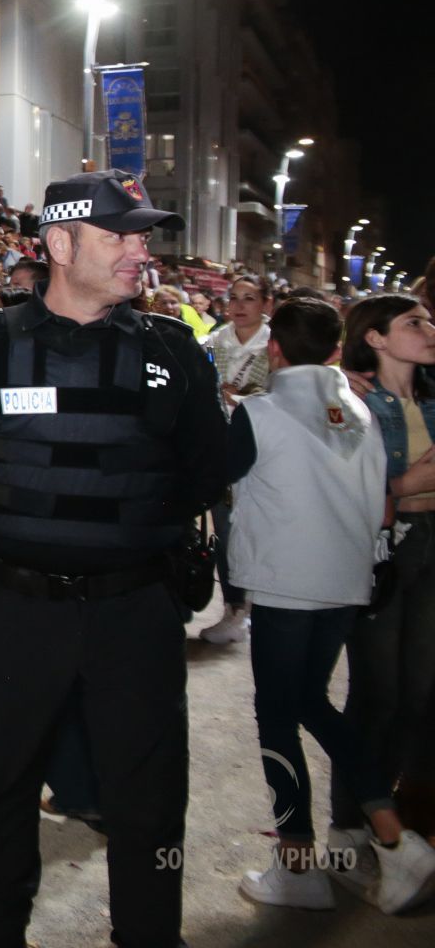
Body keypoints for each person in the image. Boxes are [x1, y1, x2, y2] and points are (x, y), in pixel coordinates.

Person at [0, 170, 230, 948]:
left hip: (138, 612)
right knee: (3, 783)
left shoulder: (174, 350)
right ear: (60, 243)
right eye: (119, 235)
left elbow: (203, 472)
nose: (139, 250)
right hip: (22, 610)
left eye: (141, 235)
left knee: (152, 798)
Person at [225, 297, 435, 913]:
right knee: (308, 703)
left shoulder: (258, 413)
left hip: (288, 583)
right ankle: (391, 834)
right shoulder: (362, 412)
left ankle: (298, 861)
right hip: (347, 582)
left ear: (274, 350)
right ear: (339, 350)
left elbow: (213, 479)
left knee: (278, 718)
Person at [330, 293, 435, 902]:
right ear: (375, 338)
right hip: (384, 548)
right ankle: (349, 829)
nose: (428, 329)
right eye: (413, 322)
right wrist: (405, 484)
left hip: (431, 547)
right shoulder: (356, 402)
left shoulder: (431, 399)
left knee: (416, 693)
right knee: (377, 693)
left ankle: (381, 819)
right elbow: (344, 484)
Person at [200, 274, 274, 646]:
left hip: (266, 448)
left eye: (249, 298)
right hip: (223, 445)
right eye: (235, 298)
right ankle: (233, 608)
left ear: (265, 304)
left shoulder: (276, 345)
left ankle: (263, 609)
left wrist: (240, 399)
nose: (240, 306)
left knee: (264, 529)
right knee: (226, 530)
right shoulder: (213, 342)